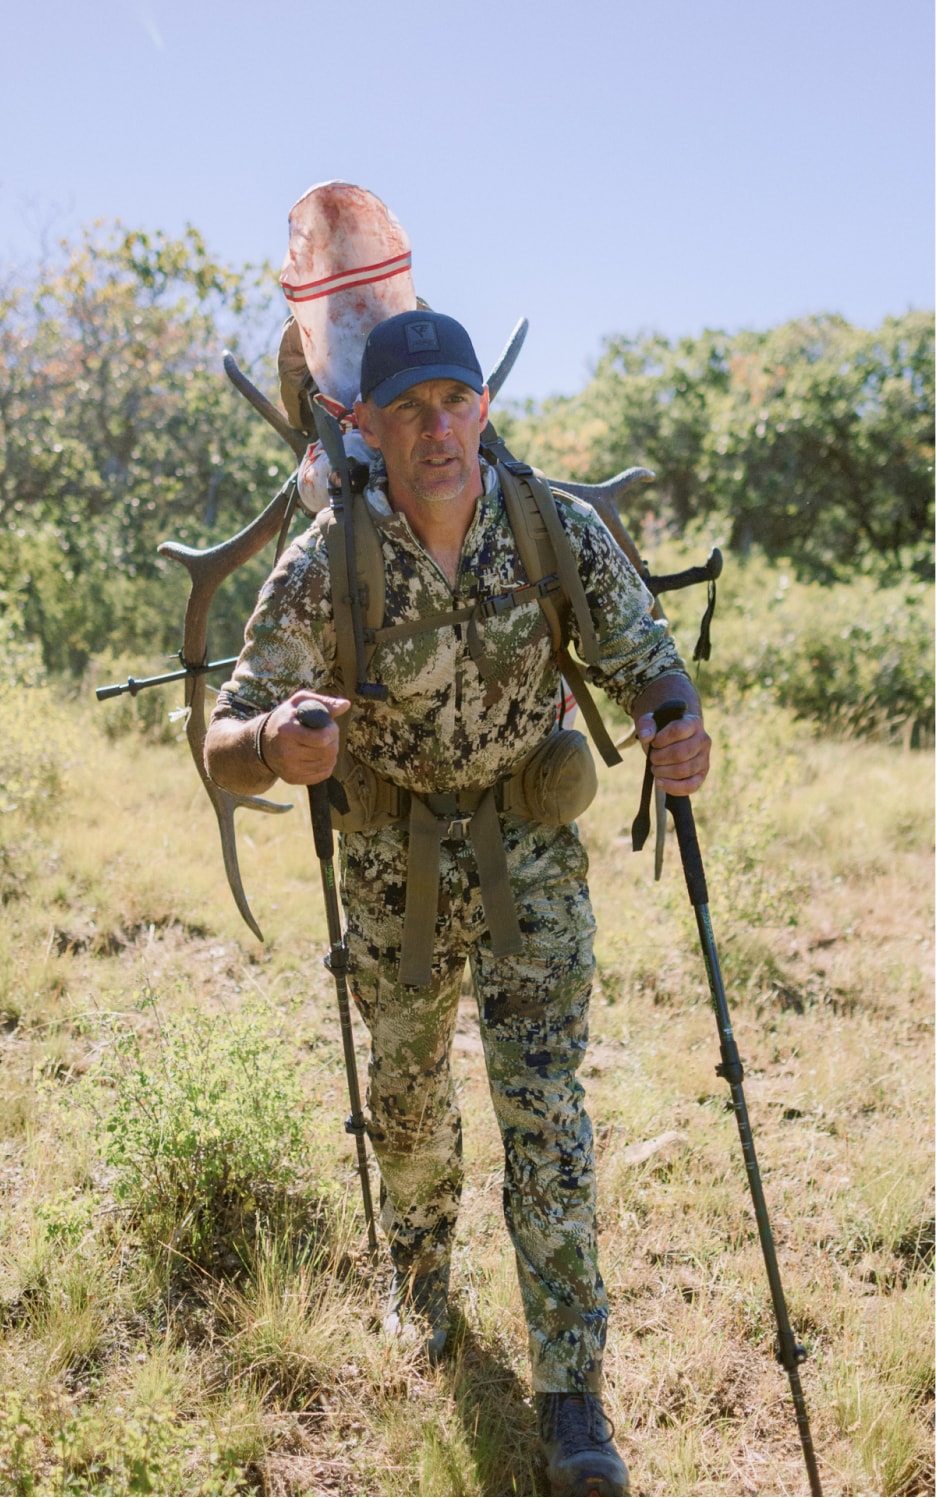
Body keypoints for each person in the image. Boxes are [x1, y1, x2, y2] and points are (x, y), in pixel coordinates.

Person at [204, 310, 710, 1498]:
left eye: (456, 403)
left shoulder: (551, 528)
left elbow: (650, 658)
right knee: (412, 1105)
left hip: (529, 851)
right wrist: (278, 741)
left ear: (482, 409)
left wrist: (676, 726)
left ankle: (573, 1392)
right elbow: (224, 737)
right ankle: (420, 1291)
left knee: (546, 1112)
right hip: (395, 876)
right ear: (371, 429)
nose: (438, 429)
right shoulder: (328, 558)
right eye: (410, 410)